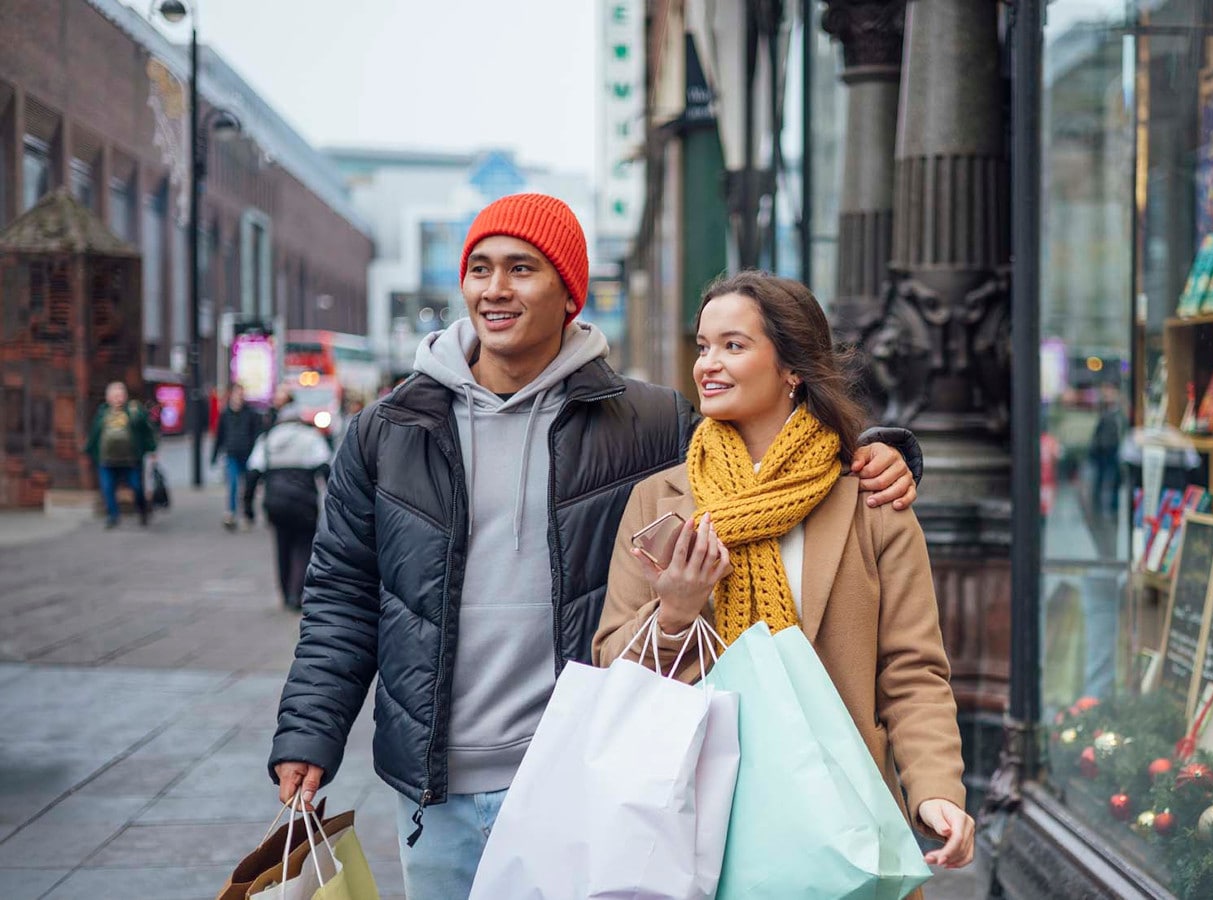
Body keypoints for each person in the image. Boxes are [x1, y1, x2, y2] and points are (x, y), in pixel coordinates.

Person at [266, 193, 921, 899]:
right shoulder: (389, 430)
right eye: (480, 268)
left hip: (584, 767)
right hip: (434, 785)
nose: (495, 289)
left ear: (569, 293)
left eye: (522, 269)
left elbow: (762, 453)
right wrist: (309, 733)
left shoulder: (643, 421)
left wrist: (883, 453)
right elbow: (342, 593)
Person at [593, 271, 975, 885]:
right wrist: (675, 614)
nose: (708, 365)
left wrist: (936, 790)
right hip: (697, 825)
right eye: (703, 346)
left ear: (793, 367)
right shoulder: (660, 501)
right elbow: (616, 670)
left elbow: (912, 672)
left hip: (842, 824)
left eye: (734, 346)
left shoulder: (870, 498)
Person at [248, 394, 332, 610]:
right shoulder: (311, 437)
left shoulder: (267, 439)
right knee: (303, 546)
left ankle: (285, 592)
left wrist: (247, 506)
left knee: (282, 546)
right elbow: (325, 469)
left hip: (275, 501)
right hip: (304, 502)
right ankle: (297, 592)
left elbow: (253, 472)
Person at [84, 381, 158, 529]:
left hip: (130, 460)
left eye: (120, 394)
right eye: (114, 395)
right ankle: (113, 516)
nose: (118, 398)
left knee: (137, 487)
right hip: (107, 460)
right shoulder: (102, 413)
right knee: (107, 488)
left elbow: (146, 430)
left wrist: (152, 449)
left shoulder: (134, 410)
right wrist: (89, 452)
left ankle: (142, 510)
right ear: (108, 397)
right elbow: (94, 434)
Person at [213, 383, 264, 530]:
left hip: (248, 454)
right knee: (233, 484)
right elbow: (220, 435)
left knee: (248, 487)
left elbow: (257, 433)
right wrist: (215, 454)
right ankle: (231, 513)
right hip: (232, 453)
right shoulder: (225, 414)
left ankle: (247, 514)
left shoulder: (251, 413)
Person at [241, 384, 292, 524]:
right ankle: (249, 511)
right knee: (253, 478)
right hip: (270, 453)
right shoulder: (270, 413)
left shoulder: (292, 413)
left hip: (284, 455)